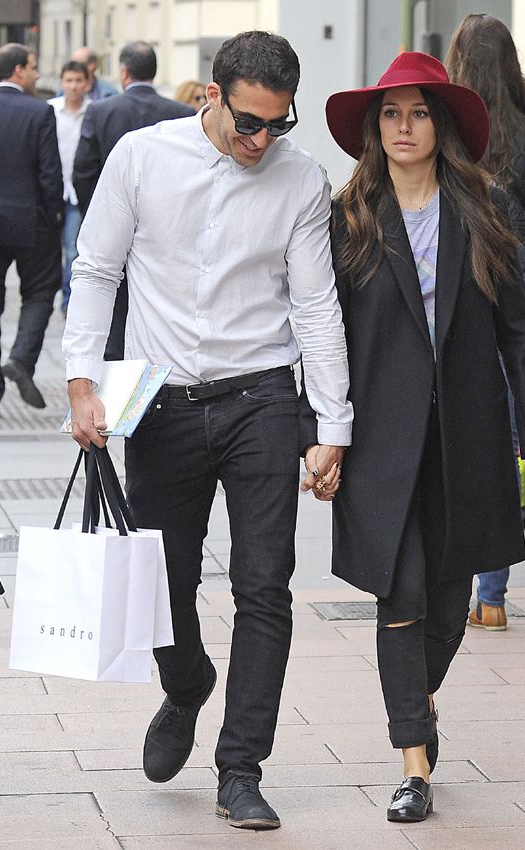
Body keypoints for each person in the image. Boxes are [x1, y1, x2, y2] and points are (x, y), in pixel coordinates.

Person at [63, 30, 352, 831]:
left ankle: (240, 769)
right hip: (159, 400)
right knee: (164, 583)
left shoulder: (300, 180)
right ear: (212, 98)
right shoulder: (141, 158)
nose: (261, 141)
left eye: (278, 124)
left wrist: (332, 423)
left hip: (263, 397)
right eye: (248, 123)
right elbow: (96, 270)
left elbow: (316, 306)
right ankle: (186, 684)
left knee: (265, 587)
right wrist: (83, 387)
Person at [311, 52, 525, 823]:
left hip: (467, 438)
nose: (404, 126)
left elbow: (518, 334)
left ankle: (418, 705)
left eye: (418, 113)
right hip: (381, 443)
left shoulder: (484, 209)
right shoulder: (346, 218)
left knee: (449, 608)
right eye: (391, 114)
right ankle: (412, 761)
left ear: (439, 126)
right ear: (374, 129)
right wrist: (322, 433)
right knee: (402, 594)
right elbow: (321, 335)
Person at [445, 13, 525, 631]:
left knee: (462, 438)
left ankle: (456, 583)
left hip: (462, 300)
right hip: (523, 297)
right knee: (519, 437)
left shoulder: (452, 130)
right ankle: (492, 595)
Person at [72, 41, 195, 359]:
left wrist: (97, 215)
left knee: (113, 303)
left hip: (113, 225)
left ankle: (115, 374)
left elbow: (82, 171)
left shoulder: (101, 111)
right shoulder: (181, 113)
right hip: (169, 231)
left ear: (124, 72)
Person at [0, 43, 63, 417]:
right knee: (40, 292)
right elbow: (50, 174)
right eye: (33, 68)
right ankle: (20, 358)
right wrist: (55, 219)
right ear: (18, 70)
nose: (36, 74)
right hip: (32, 222)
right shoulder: (40, 111)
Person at [48, 60, 90, 316]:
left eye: (78, 80)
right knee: (54, 248)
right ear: (61, 82)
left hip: (78, 191)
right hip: (52, 188)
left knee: (74, 249)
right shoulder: (49, 110)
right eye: (68, 80)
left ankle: (68, 301)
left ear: (86, 83)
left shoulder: (95, 111)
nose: (73, 86)